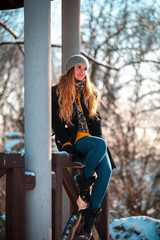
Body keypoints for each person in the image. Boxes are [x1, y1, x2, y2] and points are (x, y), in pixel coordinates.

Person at [52, 54, 116, 239]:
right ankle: (85, 181)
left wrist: (99, 148)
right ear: (70, 69)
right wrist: (66, 145)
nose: (83, 71)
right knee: (101, 144)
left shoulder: (90, 93)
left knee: (106, 172)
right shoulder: (57, 92)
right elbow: (56, 122)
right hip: (75, 141)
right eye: (79, 67)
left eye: (85, 68)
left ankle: (90, 214)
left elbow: (97, 124)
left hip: (93, 143)